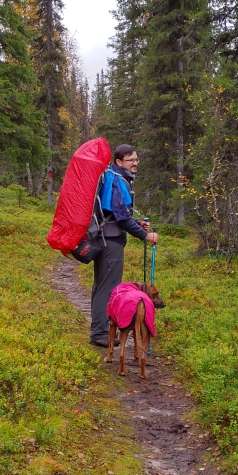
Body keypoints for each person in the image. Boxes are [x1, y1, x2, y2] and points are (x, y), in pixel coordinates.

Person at [89, 144, 159, 347]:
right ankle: (100, 333)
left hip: (103, 238)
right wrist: (145, 235)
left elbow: (114, 214)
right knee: (108, 288)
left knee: (100, 285)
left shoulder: (114, 177)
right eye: (131, 160)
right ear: (119, 162)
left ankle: (98, 330)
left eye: (137, 159)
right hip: (111, 243)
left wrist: (137, 223)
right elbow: (120, 218)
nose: (135, 163)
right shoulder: (117, 181)